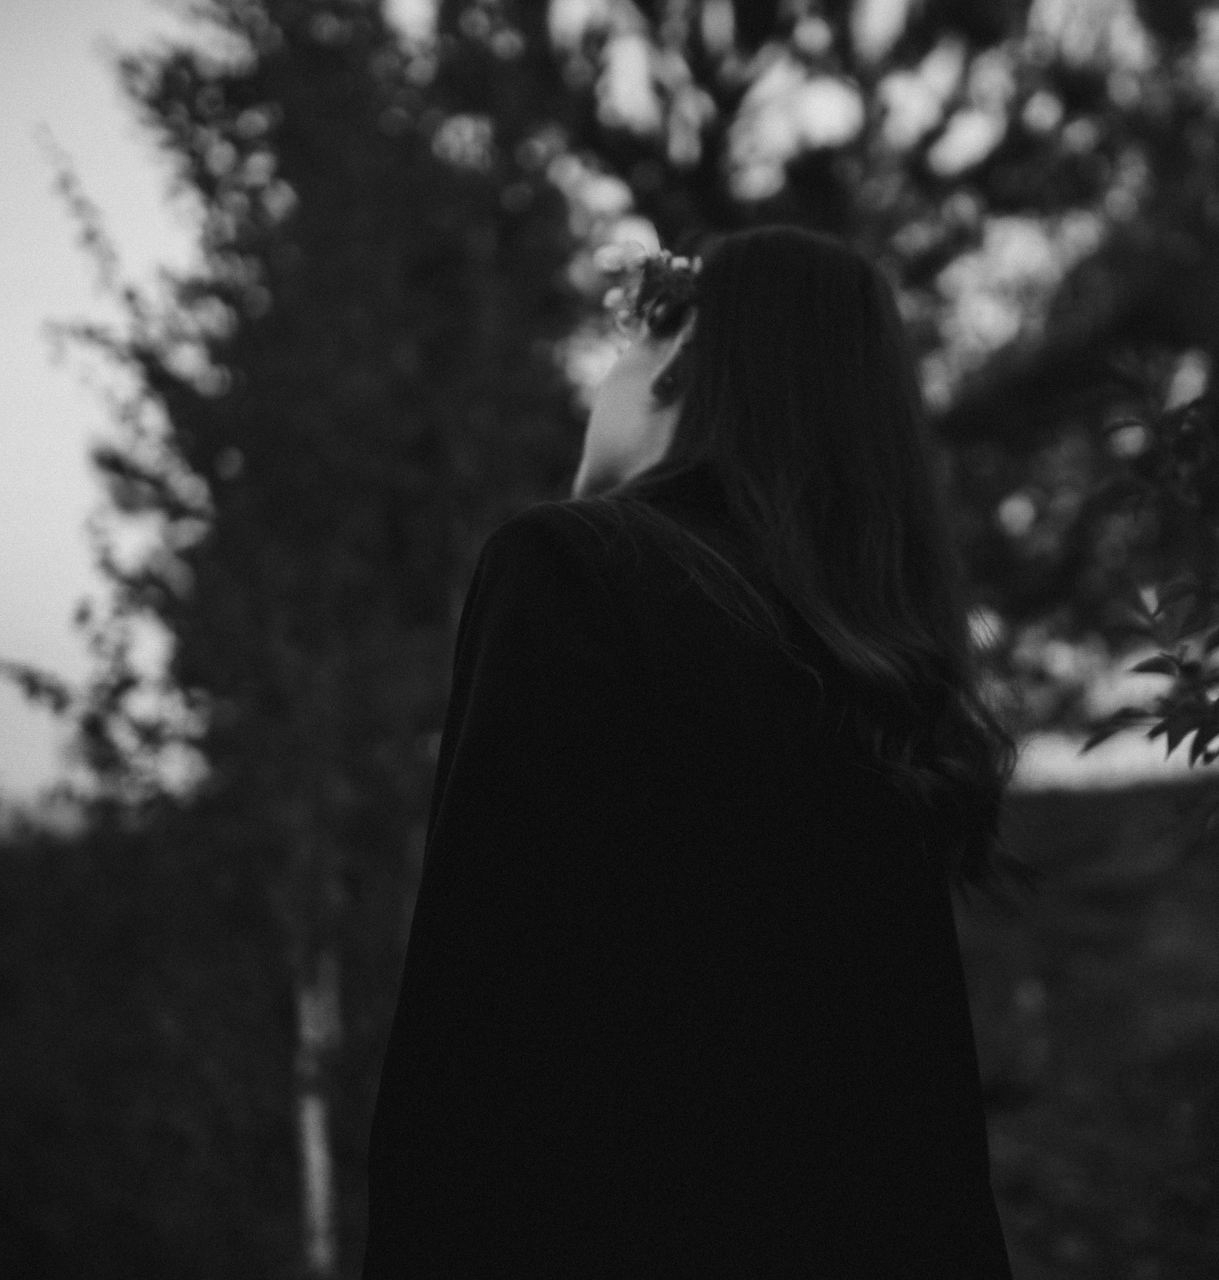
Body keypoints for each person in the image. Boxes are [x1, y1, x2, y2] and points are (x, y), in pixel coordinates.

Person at [362, 225, 1039, 1278]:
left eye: (624, 344)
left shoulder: (571, 570)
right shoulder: (873, 667)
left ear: (680, 357)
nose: (606, 382)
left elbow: (483, 1037)